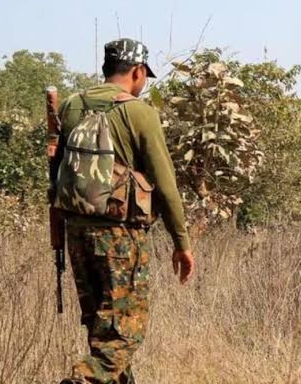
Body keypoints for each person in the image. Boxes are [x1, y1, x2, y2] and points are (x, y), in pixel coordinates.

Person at [52, 38, 195, 384]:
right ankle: (82, 381)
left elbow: (56, 170)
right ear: (137, 71)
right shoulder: (139, 113)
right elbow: (165, 184)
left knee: (101, 327)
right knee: (124, 332)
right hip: (120, 237)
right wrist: (182, 242)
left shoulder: (71, 105)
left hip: (77, 233)